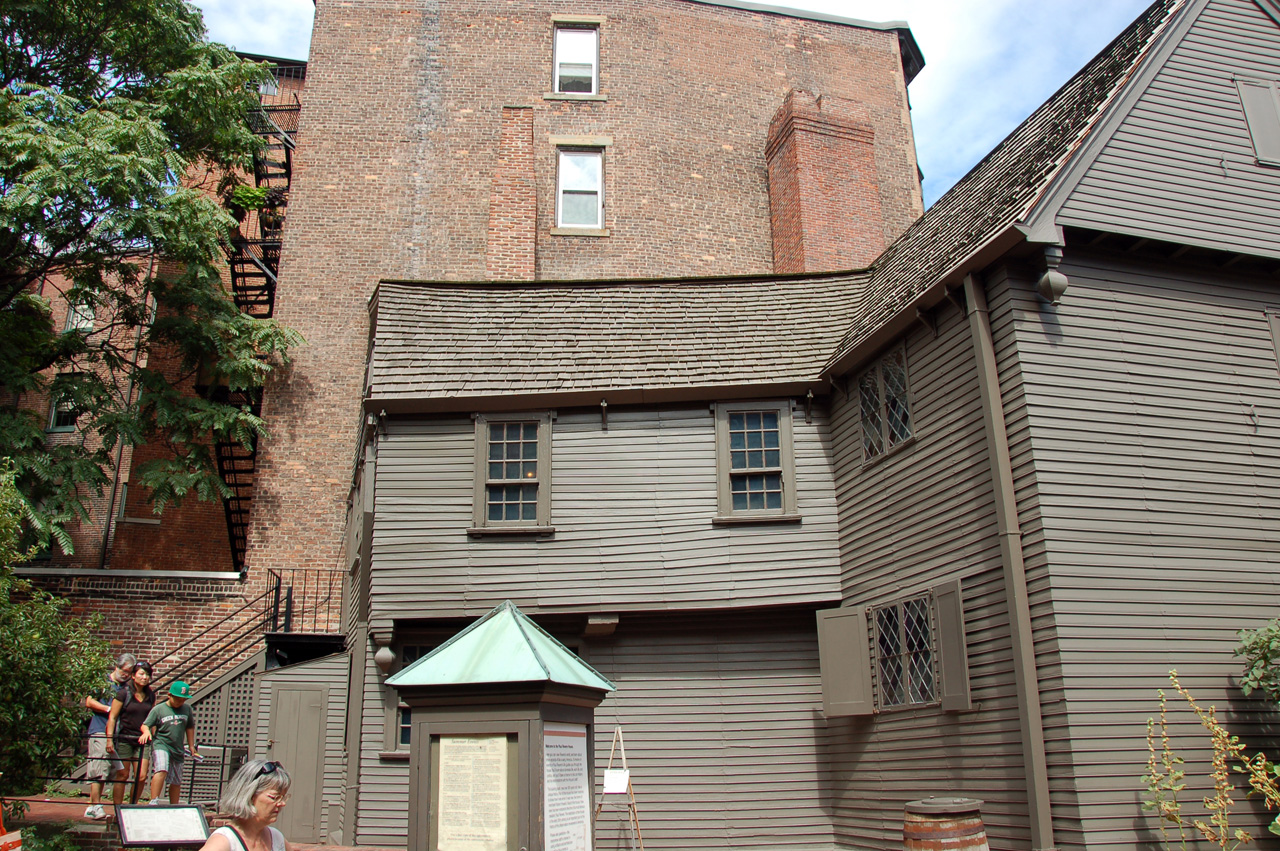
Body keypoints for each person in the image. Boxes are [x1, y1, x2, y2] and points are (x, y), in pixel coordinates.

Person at [82, 653, 135, 820]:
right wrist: (109, 710)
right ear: (116, 667)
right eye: (124, 670)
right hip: (99, 729)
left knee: (107, 770)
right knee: (98, 768)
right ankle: (95, 806)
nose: (126, 674)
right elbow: (89, 701)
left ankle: (93, 805)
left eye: (129, 672)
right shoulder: (104, 682)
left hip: (115, 733)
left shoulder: (125, 688)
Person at [198, 760, 294, 851]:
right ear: (250, 796)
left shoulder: (276, 838)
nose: (282, 803)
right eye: (274, 797)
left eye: (283, 797)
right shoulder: (225, 840)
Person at [105, 660, 155, 809]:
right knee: (123, 774)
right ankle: (118, 808)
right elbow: (113, 717)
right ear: (133, 676)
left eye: (147, 675)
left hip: (142, 739)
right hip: (125, 738)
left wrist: (152, 735)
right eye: (141, 674)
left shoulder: (150, 695)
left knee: (141, 776)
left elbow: (151, 717)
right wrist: (109, 740)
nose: (144, 677)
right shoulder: (123, 693)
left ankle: (132, 806)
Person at [140, 680, 198, 804]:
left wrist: (191, 745)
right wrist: (146, 732)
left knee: (176, 779)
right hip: (161, 743)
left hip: (177, 747)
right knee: (162, 768)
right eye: (177, 699)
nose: (180, 702)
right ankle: (154, 800)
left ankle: (174, 804)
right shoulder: (159, 709)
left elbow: (190, 727)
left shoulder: (187, 709)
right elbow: (145, 725)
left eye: (183, 699)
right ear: (169, 695)